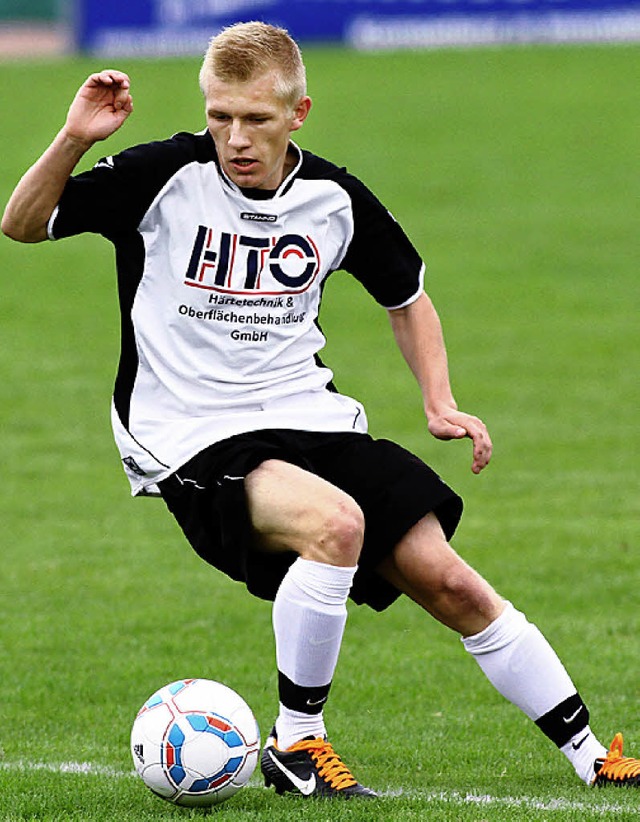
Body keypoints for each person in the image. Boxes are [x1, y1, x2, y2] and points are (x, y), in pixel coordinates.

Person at [2, 20, 638, 800]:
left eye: (257, 119)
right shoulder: (163, 174)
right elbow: (23, 224)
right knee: (335, 525)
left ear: (298, 113)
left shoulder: (332, 197)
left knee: (451, 583)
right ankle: (297, 744)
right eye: (219, 116)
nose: (235, 137)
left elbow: (406, 296)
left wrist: (439, 401)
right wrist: (72, 138)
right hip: (192, 431)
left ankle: (592, 757)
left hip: (309, 415)